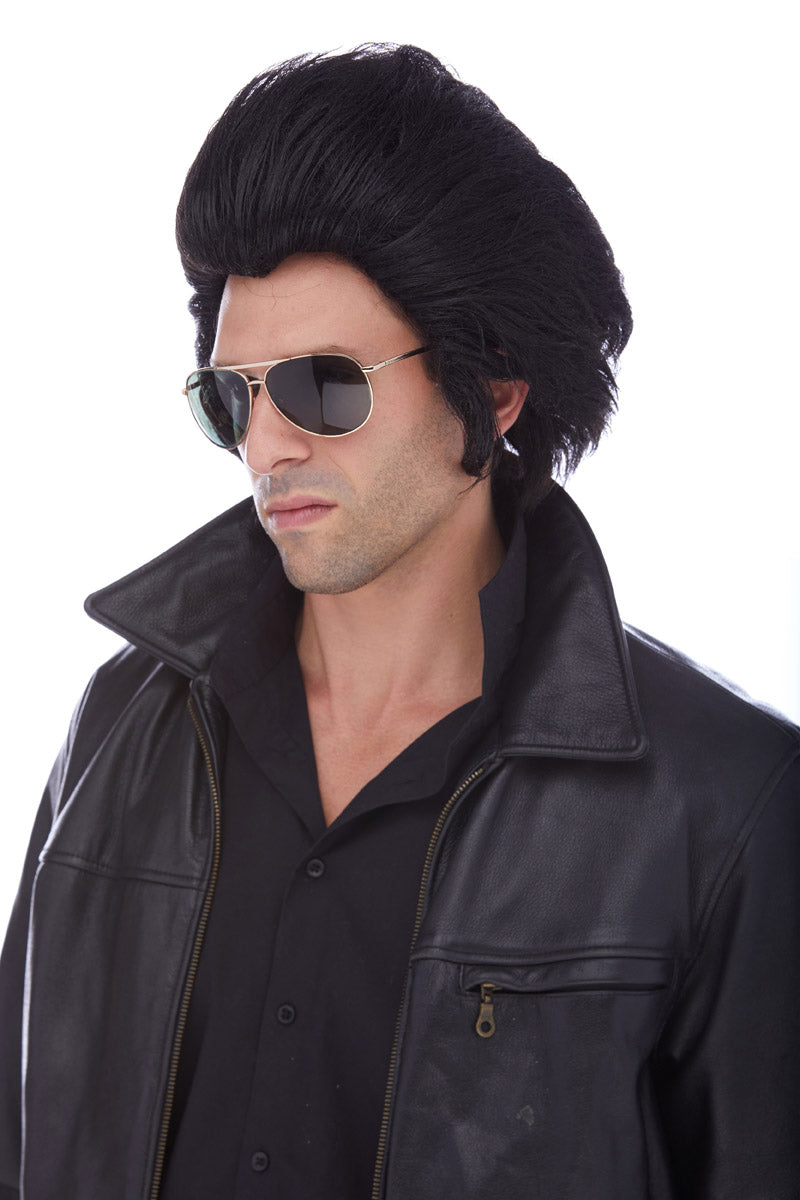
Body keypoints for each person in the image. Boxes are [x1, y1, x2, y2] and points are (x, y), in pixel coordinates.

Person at [0, 43, 797, 1200]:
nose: (267, 444)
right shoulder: (124, 724)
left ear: (494, 391)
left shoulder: (720, 804)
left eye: (323, 385)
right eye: (231, 396)